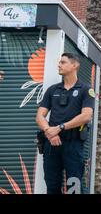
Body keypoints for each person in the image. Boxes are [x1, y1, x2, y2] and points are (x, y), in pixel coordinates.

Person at [35, 53, 95, 194]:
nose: (59, 65)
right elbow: (39, 116)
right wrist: (49, 132)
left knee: (74, 187)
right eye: (59, 62)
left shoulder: (85, 90)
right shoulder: (52, 90)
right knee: (52, 185)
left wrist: (60, 128)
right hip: (52, 144)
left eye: (63, 62)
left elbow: (86, 116)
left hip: (73, 144)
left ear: (75, 65)